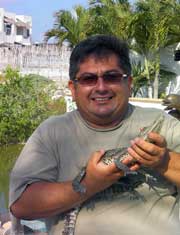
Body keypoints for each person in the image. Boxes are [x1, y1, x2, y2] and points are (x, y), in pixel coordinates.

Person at [9, 35, 180, 235]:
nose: (101, 87)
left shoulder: (163, 123)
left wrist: (164, 161)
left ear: (129, 83)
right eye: (88, 79)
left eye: (112, 77)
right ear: (73, 89)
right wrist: (88, 184)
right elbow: (20, 205)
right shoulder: (52, 132)